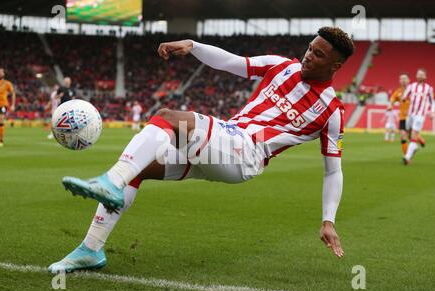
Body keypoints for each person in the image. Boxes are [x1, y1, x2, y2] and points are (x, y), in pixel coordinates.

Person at [49, 27, 355, 273]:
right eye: (310, 49)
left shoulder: (332, 112)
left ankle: (110, 182)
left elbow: (333, 170)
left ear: (336, 65)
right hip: (225, 138)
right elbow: (233, 62)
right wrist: (193, 46)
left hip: (245, 154)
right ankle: (90, 250)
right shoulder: (282, 67)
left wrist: (328, 220)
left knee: (169, 117)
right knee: (138, 169)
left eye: (318, 55)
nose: (308, 57)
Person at [402, 68, 435, 165]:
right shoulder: (411, 86)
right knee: (408, 131)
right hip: (410, 114)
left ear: (425, 77)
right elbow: (404, 96)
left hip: (420, 115)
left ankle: (407, 157)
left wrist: (432, 112)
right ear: (416, 76)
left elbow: (432, 101)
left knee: (413, 135)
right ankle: (414, 147)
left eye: (422, 74)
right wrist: (403, 98)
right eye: (418, 74)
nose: (420, 76)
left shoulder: (429, 88)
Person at [389, 73, 410, 153]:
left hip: (412, 117)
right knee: (402, 136)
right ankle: (407, 156)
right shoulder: (398, 91)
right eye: (401, 79)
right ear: (399, 81)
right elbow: (392, 99)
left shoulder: (413, 90)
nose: (403, 80)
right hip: (402, 117)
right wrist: (390, 105)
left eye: (405, 78)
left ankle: (419, 139)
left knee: (412, 136)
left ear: (409, 80)